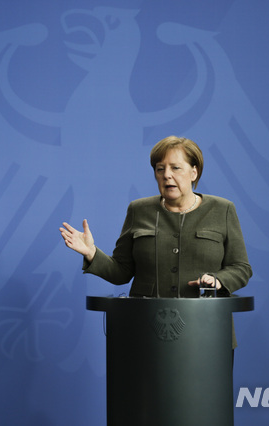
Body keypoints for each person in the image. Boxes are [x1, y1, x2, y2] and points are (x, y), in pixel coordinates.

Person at [59, 136, 252, 346]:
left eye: (176, 168)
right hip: (146, 333)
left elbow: (240, 267)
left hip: (208, 334)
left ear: (194, 172)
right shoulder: (139, 210)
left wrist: (219, 280)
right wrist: (91, 253)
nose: (167, 175)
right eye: (160, 169)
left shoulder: (222, 209)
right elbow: (122, 271)